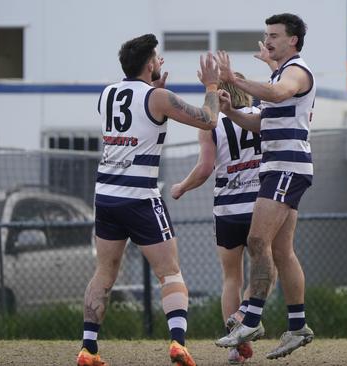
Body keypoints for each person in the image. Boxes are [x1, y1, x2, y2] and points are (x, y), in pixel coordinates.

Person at [76, 33, 220, 366]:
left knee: (104, 272)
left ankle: (88, 348)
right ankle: (178, 343)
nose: (160, 62)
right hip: (139, 197)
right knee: (169, 273)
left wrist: (158, 92)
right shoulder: (158, 97)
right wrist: (211, 87)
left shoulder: (108, 93)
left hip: (106, 196)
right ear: (149, 64)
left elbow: (137, 117)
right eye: (157, 57)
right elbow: (209, 119)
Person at [214, 13, 316, 360]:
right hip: (279, 167)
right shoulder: (280, 72)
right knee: (282, 252)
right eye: (266, 34)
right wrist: (231, 112)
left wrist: (235, 81)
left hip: (287, 167)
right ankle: (298, 327)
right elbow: (261, 124)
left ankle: (252, 317)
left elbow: (276, 92)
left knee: (257, 240)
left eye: (275, 35)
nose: (268, 40)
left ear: (293, 41)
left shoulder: (296, 71)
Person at [171, 72, 278, 364]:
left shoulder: (211, 124)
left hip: (227, 209)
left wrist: (181, 186)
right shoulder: (261, 114)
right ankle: (245, 313)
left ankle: (235, 345)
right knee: (269, 268)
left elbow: (205, 168)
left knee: (231, 276)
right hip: (261, 206)